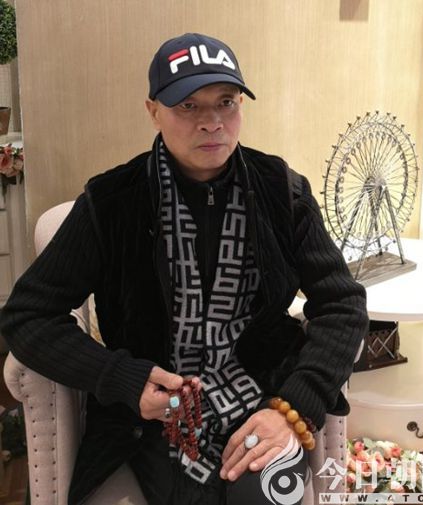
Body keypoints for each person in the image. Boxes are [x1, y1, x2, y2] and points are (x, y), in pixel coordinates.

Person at [0, 33, 368, 505]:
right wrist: (122, 377)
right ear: (153, 111)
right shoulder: (111, 203)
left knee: (269, 497)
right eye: (188, 106)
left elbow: (342, 304)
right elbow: (28, 315)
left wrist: (293, 407)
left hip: (263, 394)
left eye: (226, 102)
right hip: (153, 416)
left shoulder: (282, 190)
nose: (212, 122)